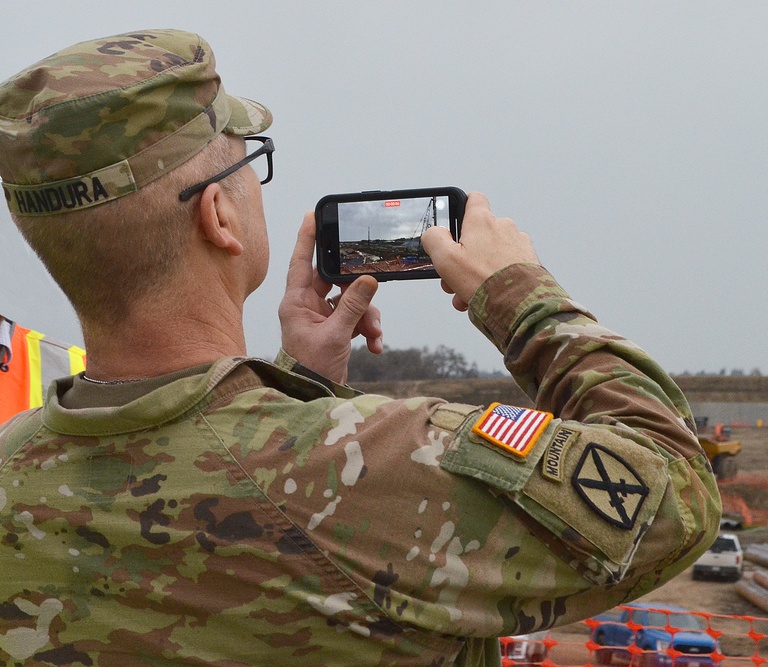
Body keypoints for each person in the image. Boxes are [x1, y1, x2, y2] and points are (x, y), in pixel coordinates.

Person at [0, 30, 720, 666]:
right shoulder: (383, 462)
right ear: (219, 215)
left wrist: (299, 381)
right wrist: (521, 298)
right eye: (248, 160)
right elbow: (676, 491)